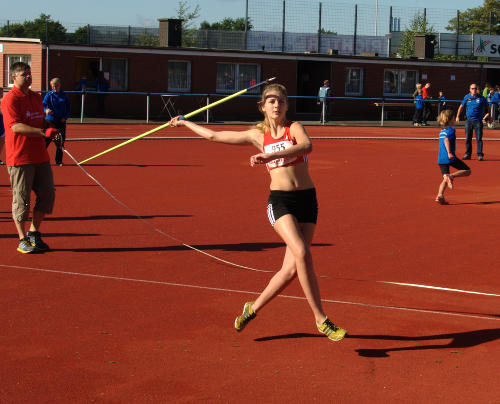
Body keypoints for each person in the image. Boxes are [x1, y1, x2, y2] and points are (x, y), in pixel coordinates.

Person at [168, 83, 347, 342]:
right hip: (281, 202)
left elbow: (307, 146)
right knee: (302, 252)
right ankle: (321, 319)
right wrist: (185, 123)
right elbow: (214, 136)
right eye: (271, 101)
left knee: (290, 270)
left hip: (308, 199)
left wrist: (269, 156)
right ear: (262, 106)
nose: (277, 105)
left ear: (286, 105)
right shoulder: (256, 135)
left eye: (281, 101)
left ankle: (252, 308)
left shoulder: (293, 128)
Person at [0, 62, 58, 253]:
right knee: (22, 200)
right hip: (20, 157)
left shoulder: (35, 97)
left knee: (47, 194)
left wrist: (50, 127)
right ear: (13, 77)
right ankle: (21, 238)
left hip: (39, 155)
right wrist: (42, 132)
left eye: (29, 73)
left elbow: (40, 119)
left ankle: (34, 232)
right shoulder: (10, 100)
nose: (29, 77)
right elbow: (15, 127)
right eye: (24, 74)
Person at [435, 109, 471, 205]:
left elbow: (444, 139)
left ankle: (440, 195)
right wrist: (449, 152)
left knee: (445, 178)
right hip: (449, 157)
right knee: (467, 171)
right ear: (450, 119)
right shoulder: (451, 129)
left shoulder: (442, 130)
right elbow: (446, 140)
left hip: (440, 159)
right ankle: (451, 176)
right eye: (454, 118)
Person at [456, 83, 489, 161]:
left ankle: (480, 154)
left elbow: (488, 107)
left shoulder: (481, 98)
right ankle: (468, 154)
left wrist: (489, 117)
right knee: (468, 138)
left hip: (478, 121)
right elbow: (461, 107)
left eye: (475, 88)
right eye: (472, 88)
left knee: (479, 138)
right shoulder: (467, 97)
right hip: (468, 121)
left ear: (477, 89)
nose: (474, 90)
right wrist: (457, 116)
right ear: (470, 89)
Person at [43, 77, 71, 165]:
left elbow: (68, 107)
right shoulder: (49, 95)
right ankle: (40, 159)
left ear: (60, 85)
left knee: (60, 141)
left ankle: (58, 161)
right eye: (53, 86)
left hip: (61, 121)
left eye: (56, 86)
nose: (54, 88)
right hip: (50, 121)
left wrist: (65, 117)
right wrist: (46, 110)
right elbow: (43, 104)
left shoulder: (64, 95)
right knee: (46, 140)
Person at [0, 88, 5, 165]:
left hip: (2, 124)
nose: (1, 94)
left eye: (2, 93)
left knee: (1, 141)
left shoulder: (4, 101)